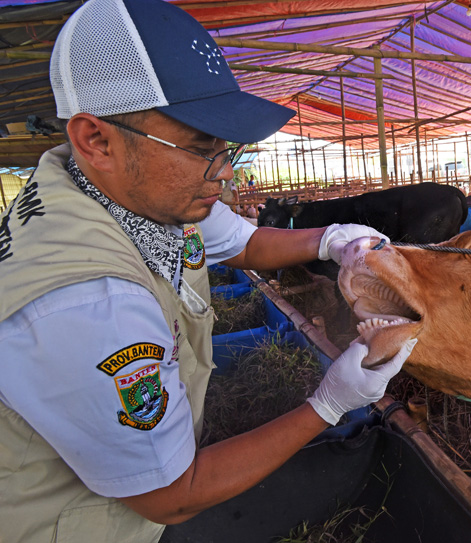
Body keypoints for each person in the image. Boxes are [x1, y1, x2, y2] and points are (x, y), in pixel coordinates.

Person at [0, 0, 415, 542]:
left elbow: (241, 242)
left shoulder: (120, 188)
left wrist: (329, 240)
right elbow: (172, 496)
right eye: (200, 148)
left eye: (226, 149)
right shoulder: (89, 303)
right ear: (96, 139)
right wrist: (330, 402)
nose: (224, 174)